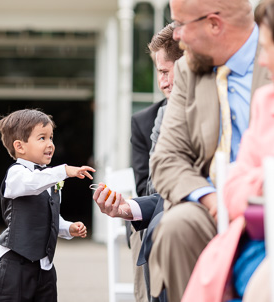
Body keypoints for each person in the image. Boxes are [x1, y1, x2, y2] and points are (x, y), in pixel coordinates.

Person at [146, 0, 271, 301]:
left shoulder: (269, 60)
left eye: (180, 24)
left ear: (214, 24)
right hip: (210, 202)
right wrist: (212, 199)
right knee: (176, 227)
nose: (175, 35)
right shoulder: (188, 70)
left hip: (266, 196)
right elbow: (166, 159)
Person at [0, 109, 95, 302]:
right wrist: (65, 170)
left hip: (45, 266)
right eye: (42, 138)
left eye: (51, 138)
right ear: (20, 147)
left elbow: (50, 216)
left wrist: (68, 228)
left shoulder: (48, 178)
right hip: (17, 265)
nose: (50, 144)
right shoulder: (17, 174)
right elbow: (32, 183)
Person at [128, 23, 183, 302]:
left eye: (165, 71)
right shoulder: (144, 122)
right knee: (149, 227)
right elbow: (144, 185)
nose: (161, 82)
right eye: (158, 73)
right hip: (153, 204)